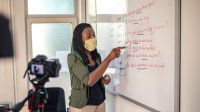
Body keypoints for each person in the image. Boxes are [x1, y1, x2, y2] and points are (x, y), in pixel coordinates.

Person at [67, 23, 124, 112]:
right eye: (88, 36)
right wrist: (109, 58)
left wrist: (105, 79)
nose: (92, 38)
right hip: (82, 107)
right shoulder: (73, 57)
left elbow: (98, 75)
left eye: (93, 35)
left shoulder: (96, 56)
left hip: (100, 103)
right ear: (80, 40)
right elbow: (89, 81)